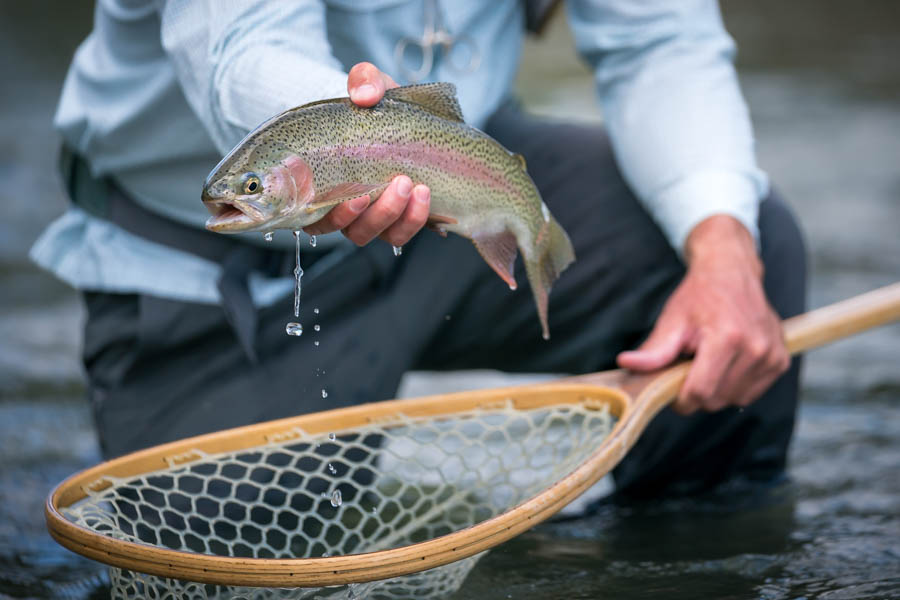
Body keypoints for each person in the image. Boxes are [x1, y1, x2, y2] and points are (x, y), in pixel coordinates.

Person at [32, 0, 805, 499]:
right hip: (208, 278)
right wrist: (332, 138)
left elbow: (662, 40)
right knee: (256, 569)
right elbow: (244, 42)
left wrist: (722, 250)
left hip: (458, 188)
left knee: (743, 238)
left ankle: (665, 559)